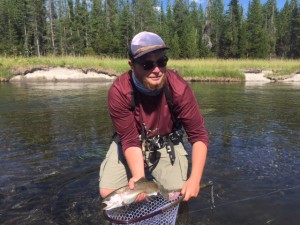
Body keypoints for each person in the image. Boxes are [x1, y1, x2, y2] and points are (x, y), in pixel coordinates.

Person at [99, 31, 208, 202]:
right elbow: (129, 139)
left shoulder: (179, 88)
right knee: (109, 195)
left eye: (161, 61)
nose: (157, 70)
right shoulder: (119, 91)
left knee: (176, 195)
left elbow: (198, 135)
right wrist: (140, 180)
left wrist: (195, 179)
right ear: (132, 65)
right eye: (147, 64)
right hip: (132, 141)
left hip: (166, 141)